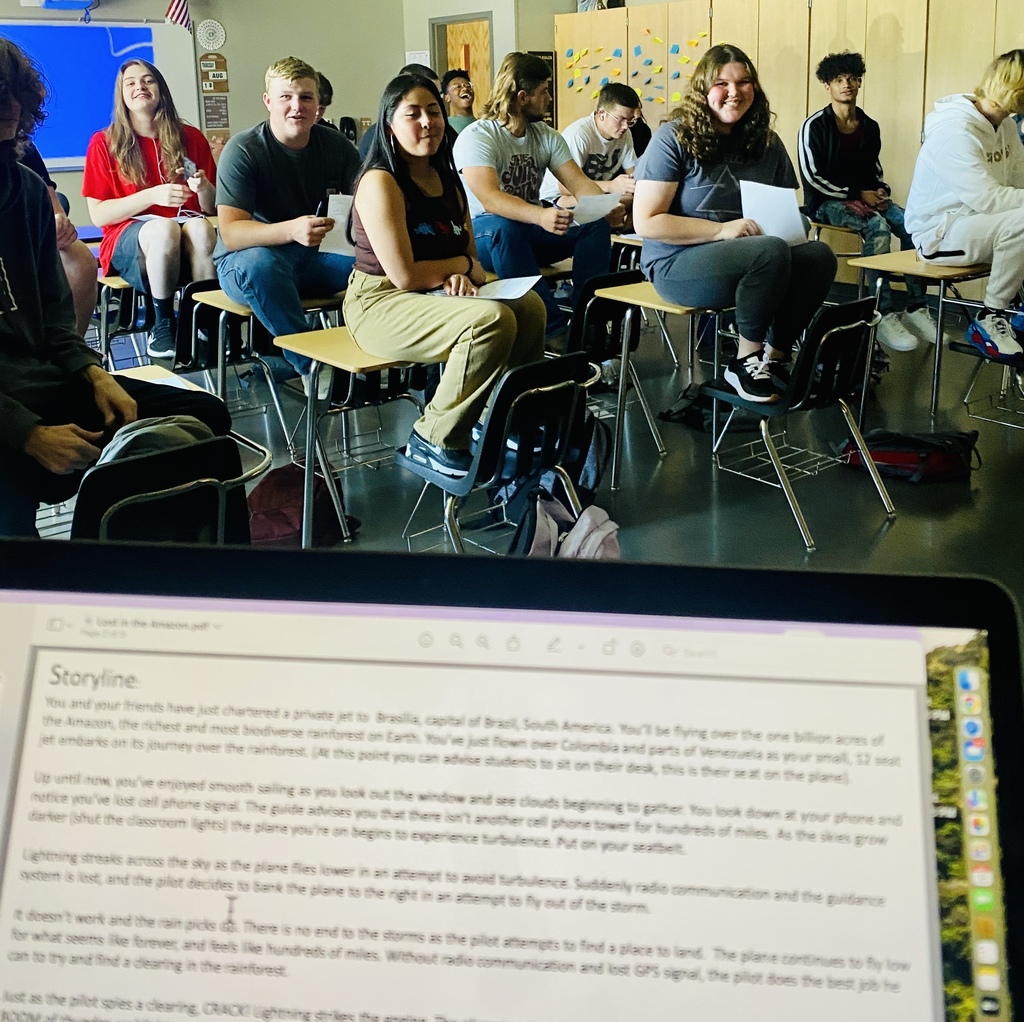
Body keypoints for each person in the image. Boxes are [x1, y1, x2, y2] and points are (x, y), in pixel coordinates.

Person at [0, 37, 230, 538]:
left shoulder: (26, 193)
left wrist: (95, 375)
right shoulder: (105, 142)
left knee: (206, 419)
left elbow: (57, 323)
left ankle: (198, 588)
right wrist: (27, 434)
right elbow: (103, 214)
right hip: (8, 411)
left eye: (14, 101)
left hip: (42, 382)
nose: (12, 112)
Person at [344, 74, 545, 479]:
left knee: (531, 307)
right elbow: (403, 276)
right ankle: (432, 436)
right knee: (490, 321)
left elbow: (473, 260)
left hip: (433, 294)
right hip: (378, 303)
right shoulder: (380, 182)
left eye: (433, 112)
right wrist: (457, 270)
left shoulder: (449, 182)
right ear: (389, 125)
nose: (427, 123)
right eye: (412, 114)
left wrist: (461, 273)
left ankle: (504, 420)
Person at [633, 43, 836, 403]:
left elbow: (784, 207)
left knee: (819, 255)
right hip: (676, 262)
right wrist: (720, 230)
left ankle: (774, 359)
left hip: (752, 261)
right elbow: (646, 222)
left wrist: (793, 229)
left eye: (744, 82)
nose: (734, 92)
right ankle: (744, 361)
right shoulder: (673, 138)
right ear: (702, 90)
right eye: (721, 83)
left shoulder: (767, 142)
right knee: (768, 251)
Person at [214, 56, 361, 393]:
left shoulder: (338, 147)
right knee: (260, 264)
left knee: (376, 260)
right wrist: (292, 229)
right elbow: (233, 233)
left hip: (317, 258)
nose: (297, 107)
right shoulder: (244, 149)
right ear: (268, 101)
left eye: (306, 98)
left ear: (318, 104)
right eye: (286, 97)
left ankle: (378, 351)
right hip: (250, 262)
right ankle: (311, 364)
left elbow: (369, 201)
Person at [454, 51, 622, 340]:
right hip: (484, 234)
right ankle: (552, 331)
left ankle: (587, 322)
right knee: (504, 228)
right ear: (522, 97)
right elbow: (490, 199)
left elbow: (579, 183)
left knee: (594, 224)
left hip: (531, 229)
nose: (549, 98)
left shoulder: (545, 136)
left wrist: (606, 207)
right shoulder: (477, 136)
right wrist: (540, 214)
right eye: (544, 90)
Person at [798, 51, 933, 353]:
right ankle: (881, 312)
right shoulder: (814, 126)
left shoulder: (869, 126)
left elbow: (873, 171)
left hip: (862, 196)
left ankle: (916, 306)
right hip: (825, 201)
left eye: (852, 79)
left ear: (859, 82)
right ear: (827, 86)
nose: (846, 84)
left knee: (912, 222)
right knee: (877, 228)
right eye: (838, 80)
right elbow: (812, 176)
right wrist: (857, 194)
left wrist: (880, 191)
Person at [82, 59, 217, 359]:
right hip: (130, 240)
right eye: (130, 83)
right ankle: (163, 321)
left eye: (148, 80)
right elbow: (99, 215)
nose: (140, 87)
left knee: (200, 227)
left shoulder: (190, 138)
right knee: (163, 228)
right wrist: (152, 196)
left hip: (188, 239)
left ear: (161, 90)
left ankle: (205, 321)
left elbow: (210, 208)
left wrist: (204, 188)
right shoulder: (104, 143)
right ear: (122, 94)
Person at [905, 49, 1024, 358]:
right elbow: (990, 199)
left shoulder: (1006, 126)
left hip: (979, 222)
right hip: (939, 233)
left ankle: (1018, 313)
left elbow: (1019, 182)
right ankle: (991, 316)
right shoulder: (955, 131)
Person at [18, 140, 96, 336]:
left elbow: (55, 210)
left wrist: (58, 224)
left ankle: (72, 349)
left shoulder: (24, 147)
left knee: (78, 258)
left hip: (29, 243)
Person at [540, 82, 641, 210]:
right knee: (608, 204)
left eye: (630, 120)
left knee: (634, 199)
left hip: (597, 194)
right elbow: (565, 187)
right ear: (602, 113)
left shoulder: (625, 135)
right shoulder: (579, 135)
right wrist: (611, 186)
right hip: (558, 197)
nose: (625, 126)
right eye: (621, 119)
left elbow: (634, 174)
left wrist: (633, 185)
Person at [358, 64, 456, 160]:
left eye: (433, 112)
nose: (427, 121)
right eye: (413, 114)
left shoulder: (447, 133)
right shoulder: (373, 140)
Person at [441, 69, 476, 133]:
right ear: (447, 97)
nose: (465, 88)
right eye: (458, 86)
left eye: (468, 85)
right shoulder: (444, 126)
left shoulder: (482, 124)